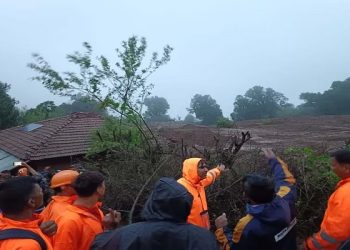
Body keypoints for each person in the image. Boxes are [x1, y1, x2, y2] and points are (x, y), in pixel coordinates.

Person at [91, 177, 219, 250]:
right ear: (187, 206)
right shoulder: (204, 238)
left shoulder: (124, 236)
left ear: (152, 201)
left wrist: (109, 229)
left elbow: (99, 246)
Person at [215, 148, 297, 250]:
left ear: (246, 196)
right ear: (273, 189)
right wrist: (274, 161)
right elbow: (286, 179)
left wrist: (222, 230)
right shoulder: (286, 197)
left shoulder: (247, 225)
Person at [53, 171, 119, 250]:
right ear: (98, 189)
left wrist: (109, 228)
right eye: (104, 185)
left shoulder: (96, 211)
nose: (105, 188)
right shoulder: (69, 220)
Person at [305, 149, 350, 249]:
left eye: (334, 165)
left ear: (346, 168)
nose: (331, 168)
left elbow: (337, 231)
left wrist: (311, 245)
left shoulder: (346, 193)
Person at [0, 176, 54, 250]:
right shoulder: (28, 246)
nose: (43, 193)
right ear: (31, 202)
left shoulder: (3, 222)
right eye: (40, 191)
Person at [177, 158, 225, 229]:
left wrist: (218, 170)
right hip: (190, 235)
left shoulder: (200, 182)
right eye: (202, 167)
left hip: (204, 232)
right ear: (192, 169)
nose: (206, 170)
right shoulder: (179, 188)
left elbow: (211, 175)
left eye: (206, 167)